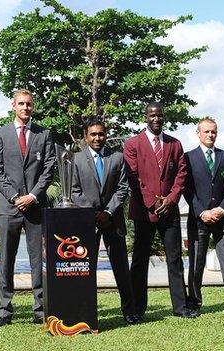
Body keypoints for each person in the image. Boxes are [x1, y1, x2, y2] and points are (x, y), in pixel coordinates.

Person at [123, 103, 196, 319]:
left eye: (160, 115)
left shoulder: (175, 144)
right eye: (152, 115)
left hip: (169, 210)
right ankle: (137, 309)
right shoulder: (132, 144)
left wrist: (171, 199)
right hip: (144, 211)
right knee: (139, 260)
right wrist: (153, 202)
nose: (156, 119)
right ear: (146, 117)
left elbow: (181, 175)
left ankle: (181, 307)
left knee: (175, 259)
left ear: (164, 117)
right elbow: (132, 177)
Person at [0, 89, 56, 326]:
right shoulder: (0, 134)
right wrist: (16, 197)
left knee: (39, 261)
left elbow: (49, 168)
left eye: (29, 104)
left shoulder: (44, 134)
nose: (25, 108)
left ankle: (40, 309)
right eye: (21, 104)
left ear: (33, 106)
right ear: (13, 106)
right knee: (6, 260)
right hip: (9, 208)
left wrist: (33, 196)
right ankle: (4, 310)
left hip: (36, 208)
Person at [71, 119, 137, 324]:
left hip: (113, 220)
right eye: (93, 134)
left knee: (121, 270)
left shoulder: (117, 158)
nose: (97, 138)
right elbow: (74, 191)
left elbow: (123, 188)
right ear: (86, 136)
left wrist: (108, 212)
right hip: (86, 222)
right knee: (84, 269)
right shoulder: (76, 160)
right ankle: (86, 312)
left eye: (101, 134)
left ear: (106, 135)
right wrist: (92, 213)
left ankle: (129, 312)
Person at [184, 117, 224, 316]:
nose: (210, 135)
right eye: (207, 131)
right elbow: (187, 189)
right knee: (196, 264)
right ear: (198, 133)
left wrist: (221, 209)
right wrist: (202, 212)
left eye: (214, 131)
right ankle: (193, 302)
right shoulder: (188, 158)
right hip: (198, 219)